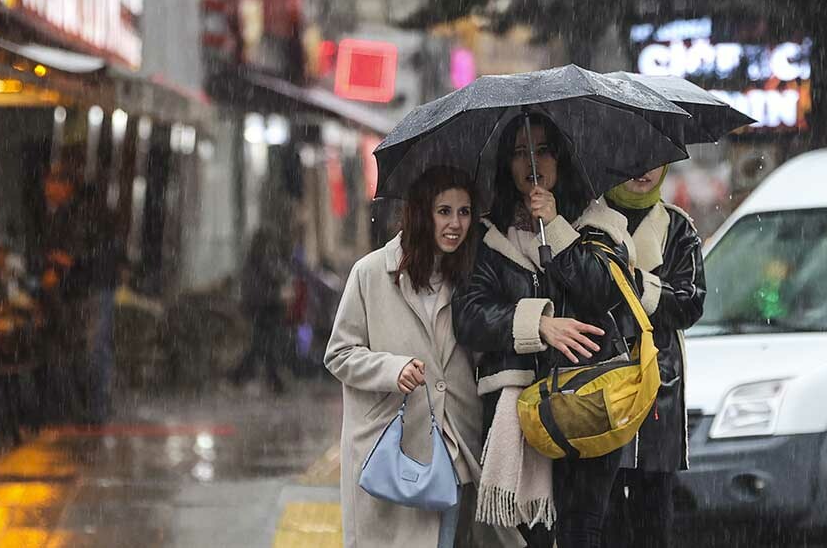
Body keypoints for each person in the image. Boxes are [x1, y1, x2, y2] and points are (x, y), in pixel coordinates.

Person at [452, 113, 641, 548]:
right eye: (520, 152)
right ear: (506, 164)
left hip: (587, 400)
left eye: (542, 150)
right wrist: (536, 324)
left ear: (562, 157)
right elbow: (470, 315)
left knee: (581, 532)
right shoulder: (489, 237)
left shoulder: (598, 222)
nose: (532, 162)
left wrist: (556, 228)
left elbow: (605, 290)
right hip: (520, 413)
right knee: (532, 537)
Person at [325, 167, 485, 548]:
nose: (455, 224)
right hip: (391, 451)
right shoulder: (370, 273)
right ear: (421, 213)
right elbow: (339, 354)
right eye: (444, 211)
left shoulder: (469, 278)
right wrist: (391, 368)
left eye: (464, 212)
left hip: (454, 447)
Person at [602, 165, 706, 547]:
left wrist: (637, 285)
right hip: (602, 384)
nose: (644, 170)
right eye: (633, 159)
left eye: (655, 159)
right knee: (603, 514)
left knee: (654, 513)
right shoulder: (589, 220)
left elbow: (691, 302)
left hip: (658, 386)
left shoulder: (678, 228)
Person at [229, 228, 292, 395]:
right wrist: (278, 297)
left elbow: (274, 278)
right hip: (263, 311)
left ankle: (248, 377)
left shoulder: (262, 261)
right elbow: (257, 292)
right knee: (263, 347)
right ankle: (243, 377)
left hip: (266, 311)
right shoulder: (257, 263)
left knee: (263, 346)